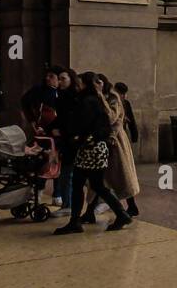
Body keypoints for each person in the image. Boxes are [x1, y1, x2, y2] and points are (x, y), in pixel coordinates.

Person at [53, 71, 131, 234]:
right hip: (96, 148)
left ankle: (76, 222)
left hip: (90, 149)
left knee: (81, 185)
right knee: (95, 185)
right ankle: (119, 214)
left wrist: (71, 136)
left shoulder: (88, 101)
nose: (77, 85)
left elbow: (82, 125)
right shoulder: (93, 100)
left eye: (80, 83)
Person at [83, 74, 140, 219]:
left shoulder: (113, 98)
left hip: (115, 142)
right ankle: (90, 211)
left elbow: (111, 117)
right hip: (105, 140)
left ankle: (131, 207)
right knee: (99, 179)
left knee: (119, 176)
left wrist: (100, 95)